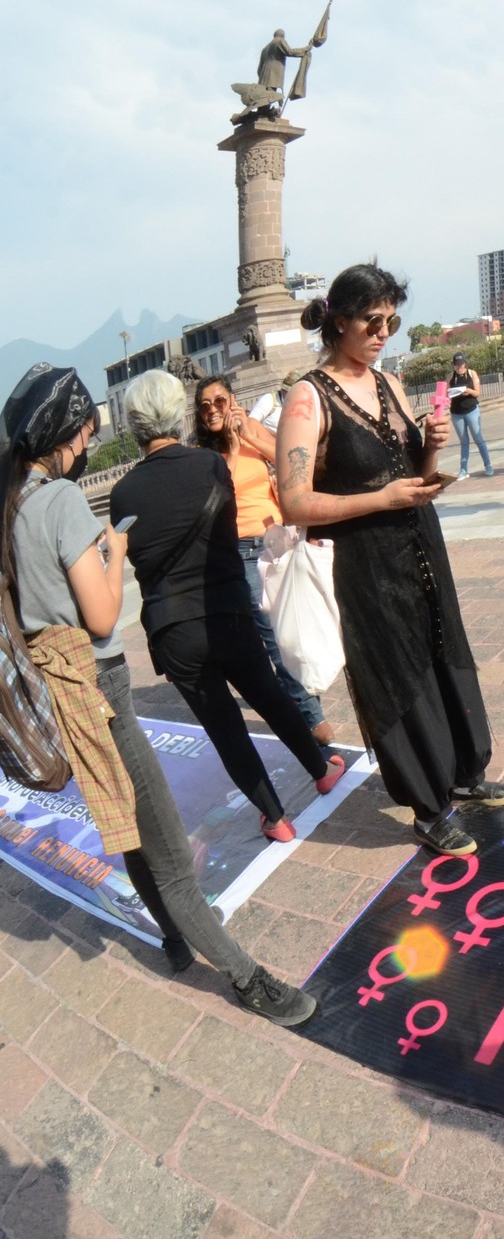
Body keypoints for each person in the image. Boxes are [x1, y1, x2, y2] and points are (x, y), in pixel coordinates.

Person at [3, 364, 316, 1024]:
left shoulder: (15, 505)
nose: (89, 444)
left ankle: (175, 938)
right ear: (67, 431)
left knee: (129, 824)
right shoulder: (60, 502)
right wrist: (114, 549)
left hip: (61, 691)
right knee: (170, 852)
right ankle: (248, 979)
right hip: (99, 684)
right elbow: (100, 616)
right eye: (87, 432)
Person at [277, 263, 504, 857]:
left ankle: (464, 772)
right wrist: (380, 499)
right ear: (339, 321)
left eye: (391, 320)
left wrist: (431, 448)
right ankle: (429, 807)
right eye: (372, 320)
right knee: (397, 673)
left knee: (442, 650)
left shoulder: (386, 382)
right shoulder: (308, 398)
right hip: (366, 563)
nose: (383, 332)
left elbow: (413, 472)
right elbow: (293, 502)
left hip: (420, 546)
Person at [112, 370, 347, 840]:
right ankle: (321, 770)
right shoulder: (209, 465)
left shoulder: (122, 493)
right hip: (226, 608)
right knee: (269, 695)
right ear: (177, 415)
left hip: (173, 628)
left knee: (225, 729)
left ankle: (275, 819)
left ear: (134, 424)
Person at [191, 375, 334, 745]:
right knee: (274, 635)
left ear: (233, 401)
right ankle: (312, 718)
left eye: (219, 402)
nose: (212, 410)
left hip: (278, 538)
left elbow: (291, 463)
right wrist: (233, 448)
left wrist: (248, 435)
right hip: (241, 548)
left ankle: (304, 704)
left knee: (294, 626)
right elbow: (218, 492)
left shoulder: (253, 429)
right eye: (204, 406)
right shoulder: (203, 455)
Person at [445, 351, 492, 479]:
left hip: (471, 410)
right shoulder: (450, 376)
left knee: (478, 438)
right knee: (464, 442)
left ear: (465, 363)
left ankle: (488, 465)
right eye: (456, 364)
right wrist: (449, 394)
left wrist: (469, 391)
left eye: (460, 364)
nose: (458, 367)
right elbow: (445, 393)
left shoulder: (472, 373)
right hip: (456, 413)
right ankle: (463, 469)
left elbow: (477, 393)